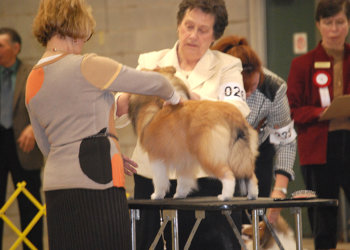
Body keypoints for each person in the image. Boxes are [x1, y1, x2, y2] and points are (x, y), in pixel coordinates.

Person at [27, 0, 182, 249]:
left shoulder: (32, 78)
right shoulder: (87, 64)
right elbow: (157, 83)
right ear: (79, 27)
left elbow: (46, 145)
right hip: (98, 181)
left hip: (56, 184)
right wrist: (174, 99)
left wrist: (108, 147)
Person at [115, 0, 250, 249]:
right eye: (188, 26)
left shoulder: (227, 66)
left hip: (206, 176)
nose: (193, 35)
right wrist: (132, 95)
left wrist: (190, 103)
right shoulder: (150, 62)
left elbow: (236, 110)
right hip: (153, 175)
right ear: (178, 25)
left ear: (214, 36)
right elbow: (120, 112)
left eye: (203, 30)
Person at [211, 35, 296, 225]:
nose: (248, 95)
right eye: (243, 89)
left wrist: (280, 190)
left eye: (254, 87)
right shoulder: (213, 84)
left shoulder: (274, 87)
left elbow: (285, 139)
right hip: (220, 154)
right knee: (221, 220)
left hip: (258, 152)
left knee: (254, 218)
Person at [287, 0, 350, 249]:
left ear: (347, 23)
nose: (334, 29)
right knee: (323, 221)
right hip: (318, 147)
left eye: (340, 22)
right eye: (328, 22)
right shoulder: (302, 65)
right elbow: (293, 110)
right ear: (318, 25)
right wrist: (321, 112)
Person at [0, 27, 44, 250]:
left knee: (30, 204)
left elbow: (45, 106)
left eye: (1, 45)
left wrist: (33, 128)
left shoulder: (31, 73)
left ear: (15, 48)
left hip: (24, 144)